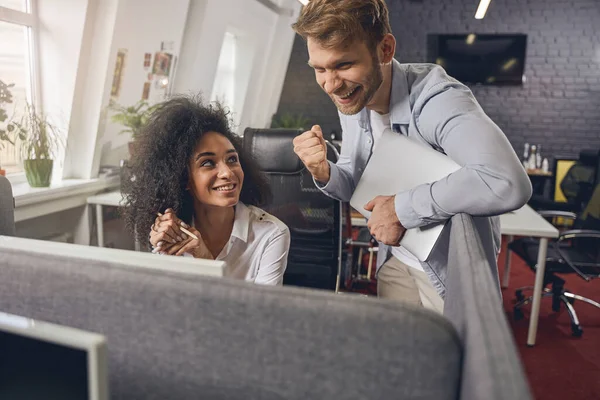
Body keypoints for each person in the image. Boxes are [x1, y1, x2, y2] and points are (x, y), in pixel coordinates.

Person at [291, 0, 532, 311]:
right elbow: (357, 183)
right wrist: (323, 171)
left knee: (451, 360)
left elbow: (508, 181)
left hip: (445, 273)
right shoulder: (353, 100)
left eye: (343, 65)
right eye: (320, 69)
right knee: (402, 357)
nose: (330, 84)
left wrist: (401, 209)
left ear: (385, 50)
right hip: (395, 259)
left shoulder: (439, 100)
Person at [122, 95, 290, 285]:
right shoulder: (173, 232)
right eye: (208, 163)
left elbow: (259, 314)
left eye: (232, 159)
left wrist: (203, 257)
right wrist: (160, 250)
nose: (227, 172)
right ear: (183, 178)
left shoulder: (271, 234)